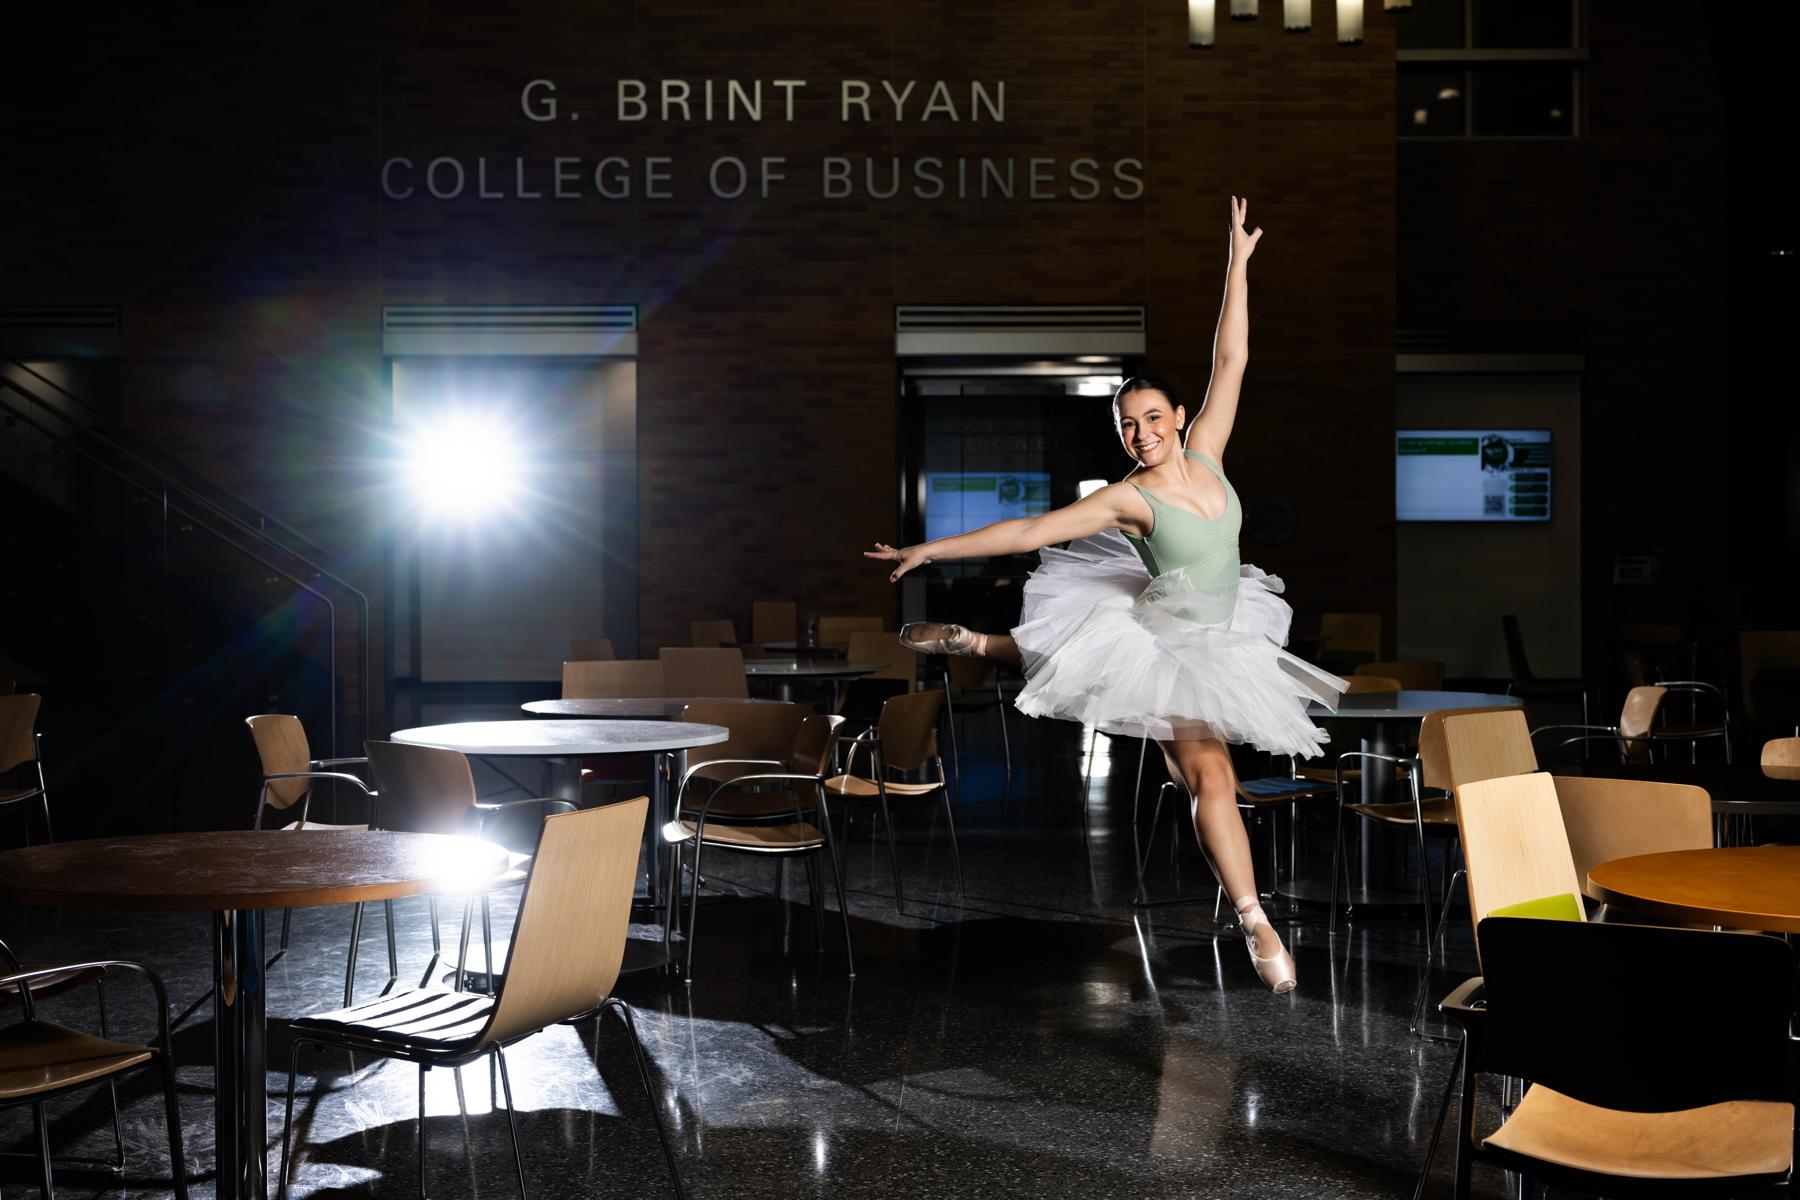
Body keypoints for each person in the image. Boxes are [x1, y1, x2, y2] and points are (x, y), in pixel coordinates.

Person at [865, 196, 1344, 993]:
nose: (1141, 432)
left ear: (1178, 418)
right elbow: (1028, 532)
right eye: (1127, 425)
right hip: (1174, 648)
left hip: (1222, 629)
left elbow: (1232, 359)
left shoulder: (1212, 456)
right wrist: (930, 547)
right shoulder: (1128, 499)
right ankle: (1256, 918)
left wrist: (1239, 264)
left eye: (1152, 417)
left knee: (1092, 651)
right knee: (1211, 776)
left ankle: (979, 646)